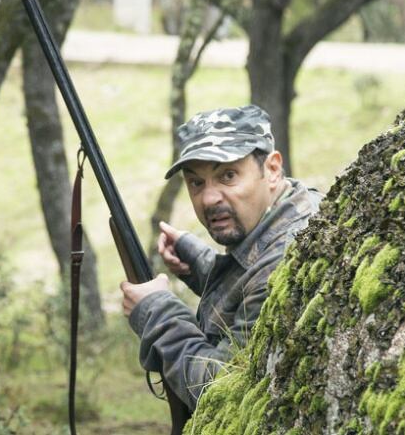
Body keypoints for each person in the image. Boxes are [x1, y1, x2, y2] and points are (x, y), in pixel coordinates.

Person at [119, 104, 322, 411]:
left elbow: (217, 390)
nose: (209, 198)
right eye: (196, 182)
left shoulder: (284, 264)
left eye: (227, 175)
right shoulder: (300, 205)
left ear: (272, 170)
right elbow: (250, 284)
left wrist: (157, 310)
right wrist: (202, 266)